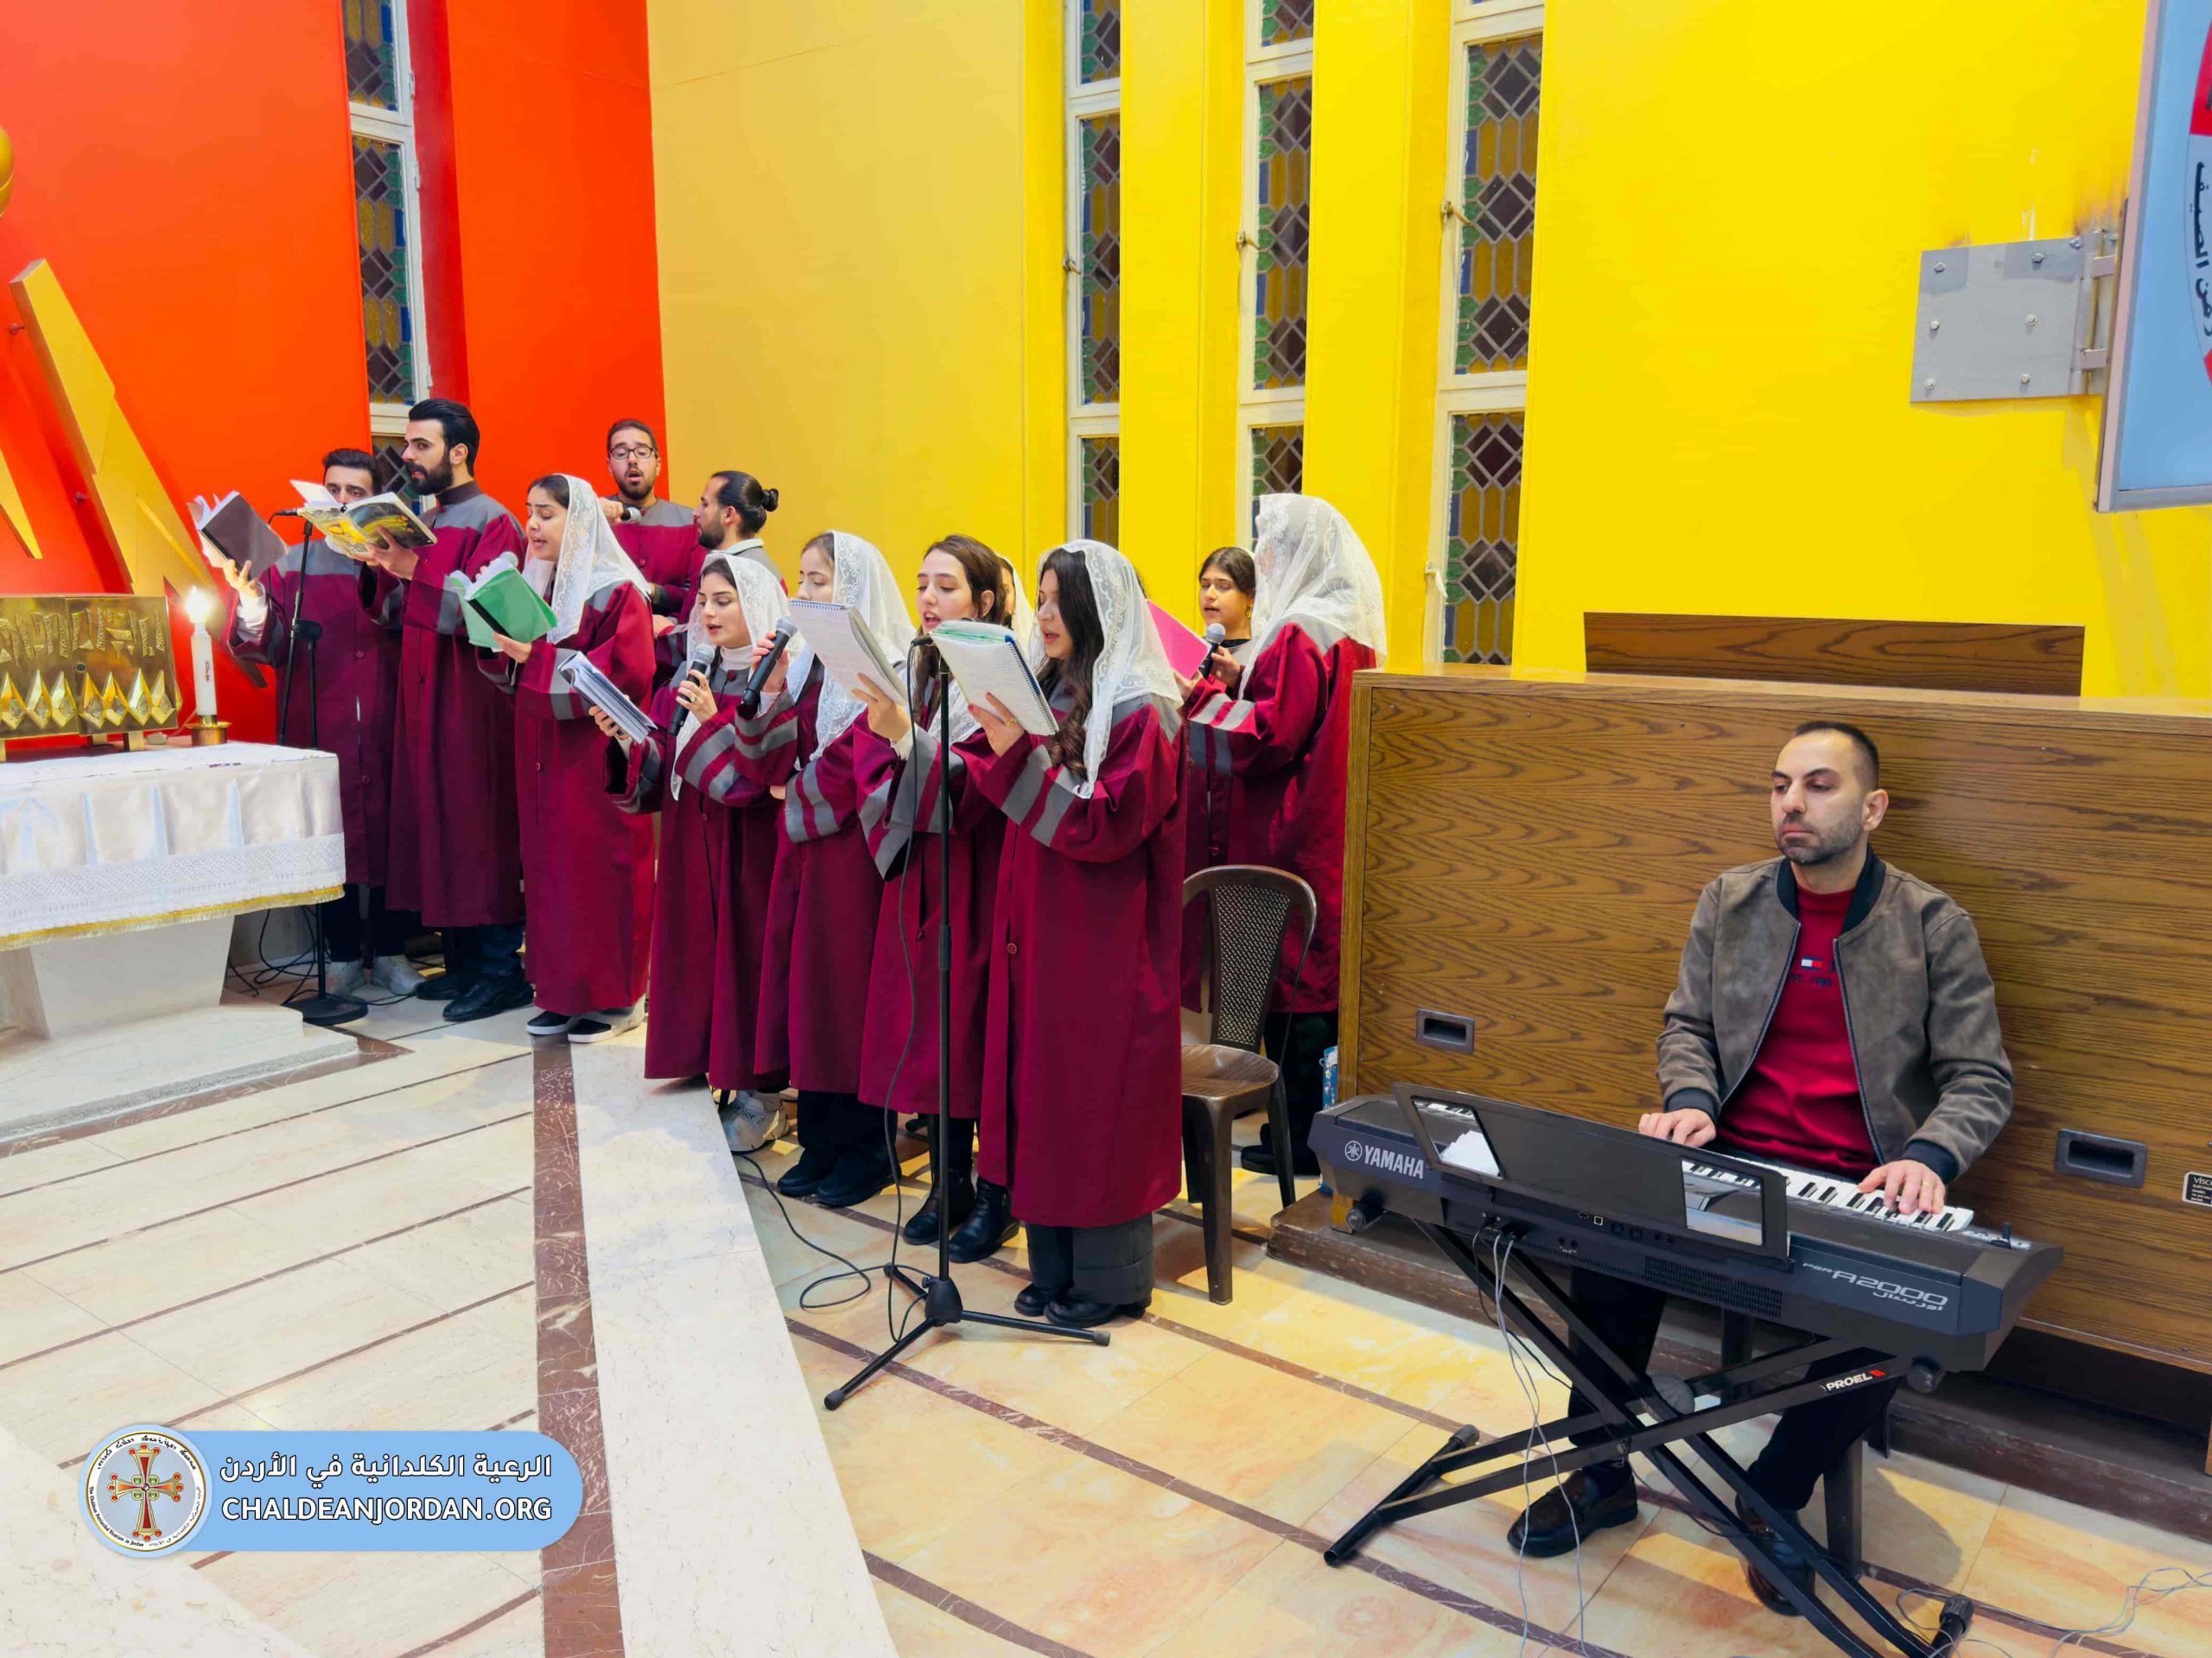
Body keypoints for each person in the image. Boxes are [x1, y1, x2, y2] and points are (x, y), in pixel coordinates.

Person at [1504, 721, 2014, 1617]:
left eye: (1819, 784)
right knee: (1606, 1242)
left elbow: (1981, 1077)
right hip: (1731, 1163)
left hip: (1857, 1184)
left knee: (1905, 1315)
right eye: (1780, 784)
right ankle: (1601, 1469)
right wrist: (1691, 1098)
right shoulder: (1730, 899)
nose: (1791, 803)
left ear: (1873, 807)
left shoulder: (1933, 924)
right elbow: (1686, 1025)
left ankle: (1773, 1490)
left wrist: (1926, 1157)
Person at [960, 539, 1185, 1326]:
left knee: (1096, 1101)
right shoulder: (1056, 688)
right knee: (1043, 1092)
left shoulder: (1143, 709)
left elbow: (1104, 826)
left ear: (1096, 609)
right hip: (1044, 933)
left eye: (1060, 601)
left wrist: (1016, 758)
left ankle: (1111, 1280)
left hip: (1105, 945)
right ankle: (1052, 1265)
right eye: (1043, 597)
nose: (1045, 614)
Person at [1184, 497, 1384, 1180]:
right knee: (1315, 979)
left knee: (1291, 985)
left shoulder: (1300, 630)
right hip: (1326, 829)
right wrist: (1244, 678)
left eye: (1270, 547)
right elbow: (1299, 705)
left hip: (1285, 833)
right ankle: (1306, 1127)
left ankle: (1294, 1136)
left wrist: (1200, 700)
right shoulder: (1348, 631)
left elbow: (1268, 736)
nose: (1263, 560)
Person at [728, 530, 909, 1209]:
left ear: (854, 587)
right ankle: (821, 1139)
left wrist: (795, 791)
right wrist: (772, 689)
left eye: (820, 580)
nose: (804, 594)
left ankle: (867, 1149)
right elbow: (773, 758)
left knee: (849, 999)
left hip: (856, 856)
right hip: (806, 849)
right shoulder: (805, 661)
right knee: (809, 995)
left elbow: (859, 759)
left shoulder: (885, 664)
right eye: (801, 580)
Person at [849, 536, 1013, 1246]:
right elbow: (872, 760)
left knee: (974, 1031)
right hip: (924, 868)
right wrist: (896, 742)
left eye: (946, 587)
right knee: (934, 1032)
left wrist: (908, 743)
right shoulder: (918, 670)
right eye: (921, 585)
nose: (928, 599)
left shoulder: (999, 677)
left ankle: (993, 1188)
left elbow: (984, 784)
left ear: (985, 600)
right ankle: (948, 1182)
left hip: (979, 871)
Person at [601, 549, 791, 1148]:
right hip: (690, 841)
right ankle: (704, 1058)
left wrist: (710, 719)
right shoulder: (691, 672)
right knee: (696, 953)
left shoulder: (776, 685)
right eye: (703, 600)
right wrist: (627, 740)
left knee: (746, 959)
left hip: (746, 848)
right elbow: (665, 758)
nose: (707, 612)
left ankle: (762, 1093)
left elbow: (757, 780)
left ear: (754, 606)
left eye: (723, 601)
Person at [213, 447, 419, 994]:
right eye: (334, 491)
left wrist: (383, 569)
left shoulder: (400, 558)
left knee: (395, 833)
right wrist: (252, 599)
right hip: (322, 722)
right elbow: (269, 644)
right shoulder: (293, 562)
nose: (343, 500)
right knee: (332, 834)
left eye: (356, 492)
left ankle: (393, 951)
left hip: (388, 719)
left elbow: (416, 624)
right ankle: (343, 952)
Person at [357, 397, 531, 1023]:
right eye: (407, 444)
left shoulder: (496, 522)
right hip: (423, 695)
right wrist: (379, 569)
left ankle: (501, 970)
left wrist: (416, 570)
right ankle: (462, 963)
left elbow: (494, 618)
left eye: (421, 445)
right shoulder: (425, 520)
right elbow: (394, 614)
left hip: (471, 702)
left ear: (459, 452)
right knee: (439, 824)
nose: (407, 456)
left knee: (477, 827)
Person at [474, 475, 656, 1042]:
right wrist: (498, 646)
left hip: (594, 753)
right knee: (551, 873)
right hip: (541, 752)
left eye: (547, 513)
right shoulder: (537, 585)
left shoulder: (617, 591)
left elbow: (622, 674)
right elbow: (516, 673)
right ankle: (561, 992)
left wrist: (532, 659)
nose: (532, 525)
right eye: (529, 511)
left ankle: (619, 997)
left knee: (600, 873)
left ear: (577, 521)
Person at [1179, 545, 1256, 1009]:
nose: (1210, 595)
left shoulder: (1262, 655)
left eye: (1223, 586)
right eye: (1205, 585)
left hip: (1238, 806)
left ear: (1249, 598)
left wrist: (1237, 682)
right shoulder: (1193, 654)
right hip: (1195, 807)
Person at [601, 418, 693, 526]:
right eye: (621, 453)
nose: (632, 460)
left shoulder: (689, 522)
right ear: (610, 467)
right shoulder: (596, 517)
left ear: (657, 465)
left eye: (642, 452)